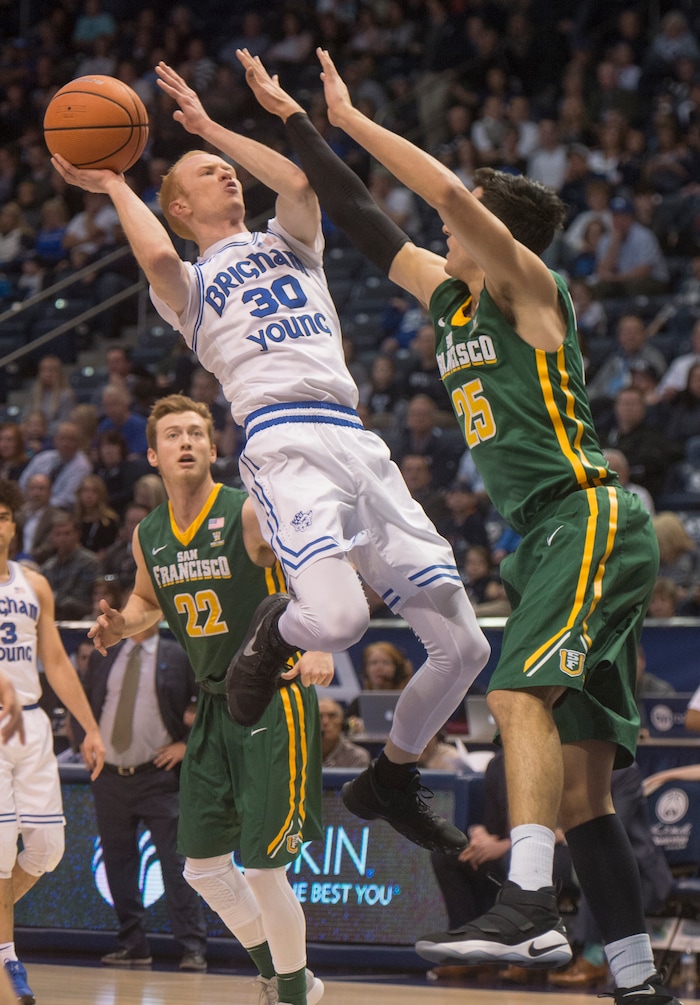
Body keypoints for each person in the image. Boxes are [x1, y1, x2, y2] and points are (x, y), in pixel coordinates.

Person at [240, 47, 676, 1005]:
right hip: (551, 538)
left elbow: (433, 181)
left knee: (516, 695)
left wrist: (351, 117)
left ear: (496, 230)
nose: (441, 219)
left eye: (459, 214)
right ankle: (638, 980)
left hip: (589, 515)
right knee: (582, 792)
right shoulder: (449, 298)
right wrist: (299, 127)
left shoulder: (530, 291)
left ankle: (528, 904)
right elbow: (359, 218)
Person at [52, 60, 490, 858]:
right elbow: (153, 261)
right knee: (342, 620)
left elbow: (295, 176)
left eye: (228, 167)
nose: (227, 173)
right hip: (284, 443)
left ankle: (390, 778)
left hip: (357, 439)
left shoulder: (290, 242)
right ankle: (273, 632)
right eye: (207, 173)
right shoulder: (187, 283)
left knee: (467, 648)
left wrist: (210, 129)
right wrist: (116, 181)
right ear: (178, 205)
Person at [87, 394, 328, 1005]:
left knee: (267, 867)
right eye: (173, 434)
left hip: (277, 696)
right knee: (202, 867)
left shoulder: (248, 513)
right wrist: (122, 626)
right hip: (213, 706)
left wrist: (324, 641)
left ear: (214, 449)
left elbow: (316, 569)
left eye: (197, 431)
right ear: (153, 455)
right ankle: (282, 974)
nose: (187, 441)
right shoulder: (148, 534)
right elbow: (145, 601)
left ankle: (292, 993)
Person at [0, 479, 104, 1005]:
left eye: (2, 515)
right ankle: (8, 958)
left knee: (46, 850)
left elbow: (57, 662)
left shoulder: (33, 583)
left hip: (33, 723)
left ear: (15, 524)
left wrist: (89, 727)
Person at [78, 620, 207, 971]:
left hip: (159, 776)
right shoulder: (107, 655)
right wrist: (82, 739)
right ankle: (133, 945)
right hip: (110, 777)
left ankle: (192, 947)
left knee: (175, 863)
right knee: (117, 863)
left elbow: (207, 707)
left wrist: (186, 744)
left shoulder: (177, 654)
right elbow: (84, 700)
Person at [18, 421, 92, 512]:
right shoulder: (43, 457)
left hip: (59, 511)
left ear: (79, 442)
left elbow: (67, 499)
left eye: (71, 440)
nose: (66, 443)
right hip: (30, 505)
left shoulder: (82, 466)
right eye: (62, 438)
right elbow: (23, 483)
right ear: (55, 440)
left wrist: (39, 505)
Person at [40, 511, 100, 620]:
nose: (62, 538)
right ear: (52, 536)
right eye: (58, 534)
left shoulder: (89, 562)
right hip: (52, 619)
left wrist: (53, 601)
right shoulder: (48, 566)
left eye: (67, 533)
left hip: (80, 621)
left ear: (77, 534)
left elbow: (82, 600)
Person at [319, 699, 370, 769]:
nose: (325, 722)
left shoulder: (357, 757)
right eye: (319, 716)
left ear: (342, 723)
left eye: (332, 716)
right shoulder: (301, 754)